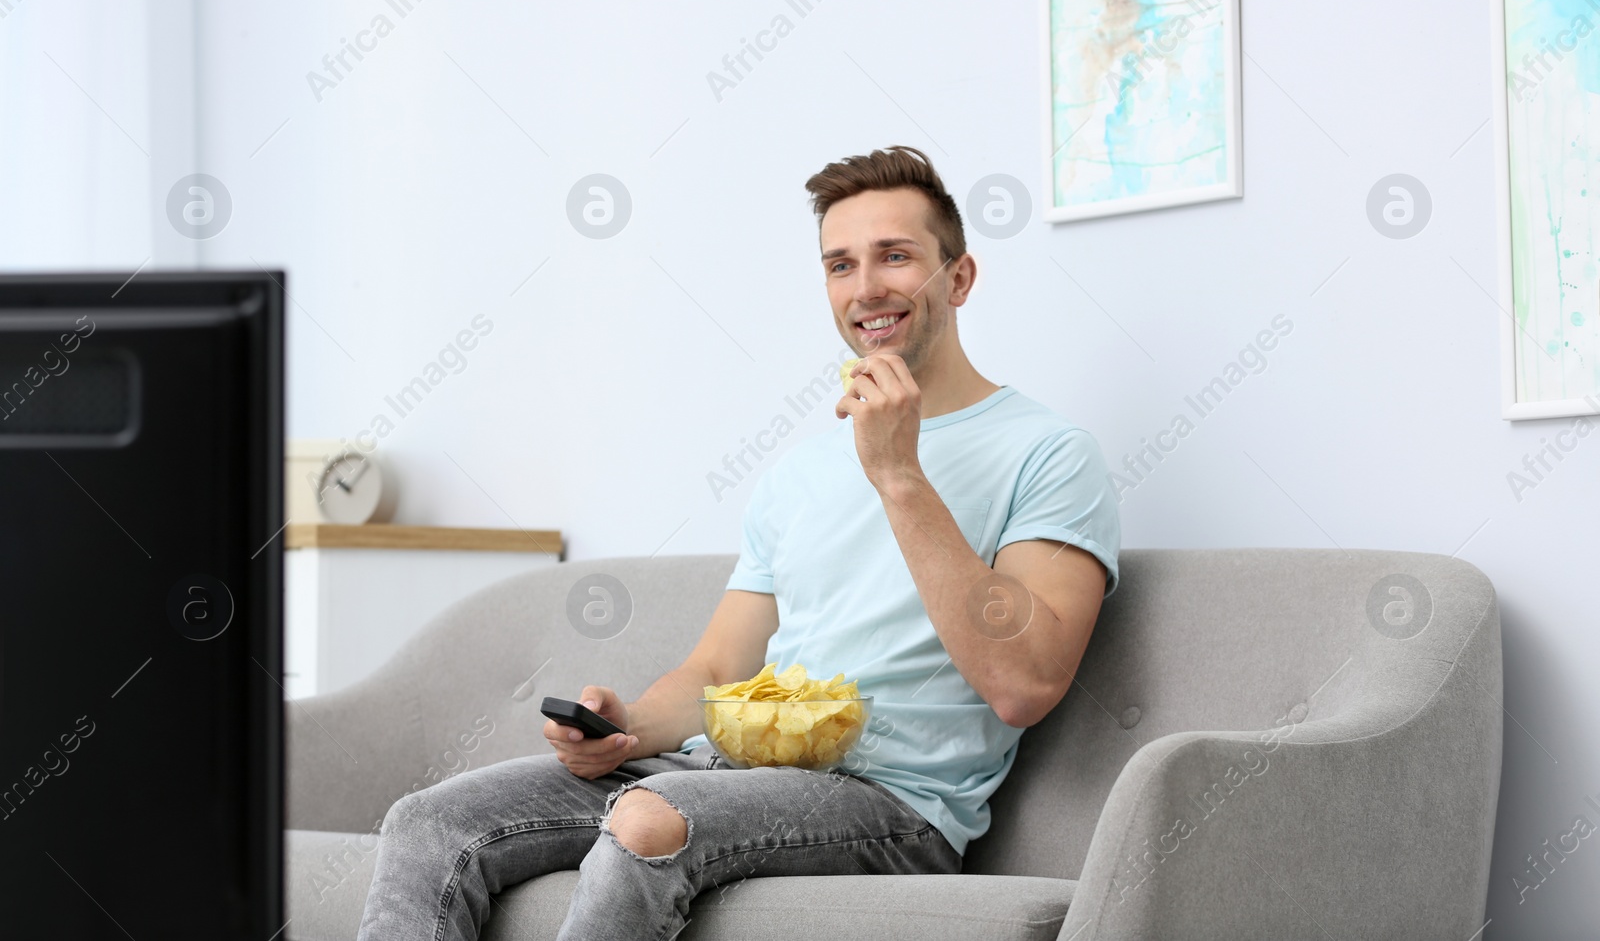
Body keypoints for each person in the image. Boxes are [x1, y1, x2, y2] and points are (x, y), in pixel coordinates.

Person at [355, 145, 1122, 941]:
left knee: (649, 821)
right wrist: (627, 728)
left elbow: (1024, 683)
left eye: (896, 256)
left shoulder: (1048, 451)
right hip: (722, 770)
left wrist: (899, 475)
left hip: (891, 803)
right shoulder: (803, 469)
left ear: (958, 278)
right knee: (428, 821)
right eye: (840, 264)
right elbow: (721, 669)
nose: (866, 289)